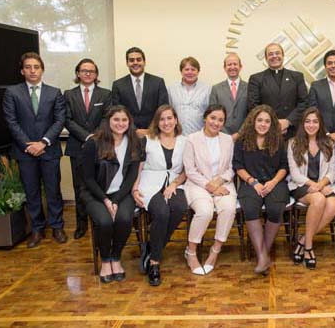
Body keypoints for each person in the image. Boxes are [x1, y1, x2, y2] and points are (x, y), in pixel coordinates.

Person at [2, 52, 67, 248]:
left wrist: (44, 142)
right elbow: (11, 122)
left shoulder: (54, 92)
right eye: (28, 67)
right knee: (31, 192)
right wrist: (29, 145)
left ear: (42, 70)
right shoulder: (12, 93)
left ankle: (57, 227)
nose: (32, 71)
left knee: (53, 190)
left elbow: (59, 120)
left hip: (49, 150)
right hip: (25, 152)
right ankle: (37, 229)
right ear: (22, 71)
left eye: (36, 67)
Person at [80, 106, 142, 283]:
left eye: (124, 120)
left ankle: (116, 257)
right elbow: (88, 178)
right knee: (105, 221)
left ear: (129, 122)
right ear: (108, 121)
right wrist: (106, 200)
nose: (120, 124)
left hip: (122, 194)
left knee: (123, 219)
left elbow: (131, 175)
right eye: (116, 120)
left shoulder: (133, 142)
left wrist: (116, 199)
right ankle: (105, 260)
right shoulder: (94, 142)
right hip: (96, 193)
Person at [132, 105, 187, 286]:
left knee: (179, 207)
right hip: (150, 183)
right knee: (162, 212)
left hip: (175, 183)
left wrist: (174, 184)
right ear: (157, 122)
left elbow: (187, 170)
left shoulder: (184, 141)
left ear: (176, 120)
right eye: (162, 119)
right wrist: (134, 189)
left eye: (169, 118)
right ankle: (155, 262)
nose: (166, 122)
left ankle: (152, 247)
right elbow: (138, 166)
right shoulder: (147, 140)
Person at [233, 105, 289, 275]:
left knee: (275, 208)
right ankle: (263, 257)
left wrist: (272, 182)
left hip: (275, 182)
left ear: (271, 124)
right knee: (250, 208)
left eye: (267, 121)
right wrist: (253, 182)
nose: (263, 124)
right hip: (251, 183)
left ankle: (262, 255)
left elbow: (284, 167)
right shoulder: (242, 140)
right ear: (253, 121)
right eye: (260, 120)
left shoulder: (278, 140)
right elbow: (238, 165)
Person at [183, 104, 237, 275]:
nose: (216, 122)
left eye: (220, 120)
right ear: (205, 118)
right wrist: (210, 186)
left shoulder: (227, 140)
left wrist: (220, 181)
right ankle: (191, 252)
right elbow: (190, 170)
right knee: (205, 211)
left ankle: (215, 250)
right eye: (213, 118)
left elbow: (230, 168)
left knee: (228, 209)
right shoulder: (191, 139)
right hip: (198, 184)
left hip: (223, 183)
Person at [64, 58, 111, 239]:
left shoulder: (105, 94)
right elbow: (67, 120)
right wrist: (86, 137)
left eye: (91, 71)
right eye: (84, 70)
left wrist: (94, 138)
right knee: (80, 187)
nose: (88, 73)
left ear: (96, 74)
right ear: (78, 73)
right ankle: (81, 225)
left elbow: (107, 118)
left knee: (99, 185)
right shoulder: (68, 94)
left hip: (101, 146)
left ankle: (100, 222)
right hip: (77, 146)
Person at [287, 107, 335, 269]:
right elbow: (295, 174)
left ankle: (302, 240)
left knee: (333, 205)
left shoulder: (329, 143)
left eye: (315, 121)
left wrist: (322, 184)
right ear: (303, 124)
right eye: (307, 121)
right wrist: (315, 186)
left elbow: (332, 171)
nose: (311, 125)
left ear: (320, 124)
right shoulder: (293, 143)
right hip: (301, 185)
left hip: (323, 184)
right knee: (318, 200)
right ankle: (309, 246)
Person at [247, 43, 308, 138]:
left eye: (277, 53)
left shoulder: (297, 77)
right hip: (266, 132)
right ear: (266, 58)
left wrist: (288, 121)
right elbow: (253, 106)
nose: (274, 56)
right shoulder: (256, 79)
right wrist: (272, 123)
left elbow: (304, 103)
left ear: (283, 56)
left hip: (293, 132)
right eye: (270, 54)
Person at [111, 47, 169, 132]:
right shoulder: (118, 85)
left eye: (138, 59)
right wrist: (134, 130)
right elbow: (117, 112)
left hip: (154, 132)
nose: (135, 63)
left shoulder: (158, 82)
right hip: (128, 133)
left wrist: (151, 130)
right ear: (127, 63)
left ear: (144, 62)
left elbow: (163, 109)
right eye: (131, 60)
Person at [209, 53, 248, 141]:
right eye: (229, 64)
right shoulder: (216, 89)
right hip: (221, 135)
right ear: (224, 68)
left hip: (244, 136)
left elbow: (251, 113)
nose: (232, 67)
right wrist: (225, 135)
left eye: (235, 64)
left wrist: (239, 133)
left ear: (240, 67)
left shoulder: (249, 87)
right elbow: (212, 114)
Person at [169, 56, 211, 136]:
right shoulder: (171, 89)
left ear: (198, 71)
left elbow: (210, 114)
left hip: (200, 136)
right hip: (177, 136)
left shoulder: (207, 89)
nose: (190, 72)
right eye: (186, 69)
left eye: (193, 69)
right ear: (181, 71)